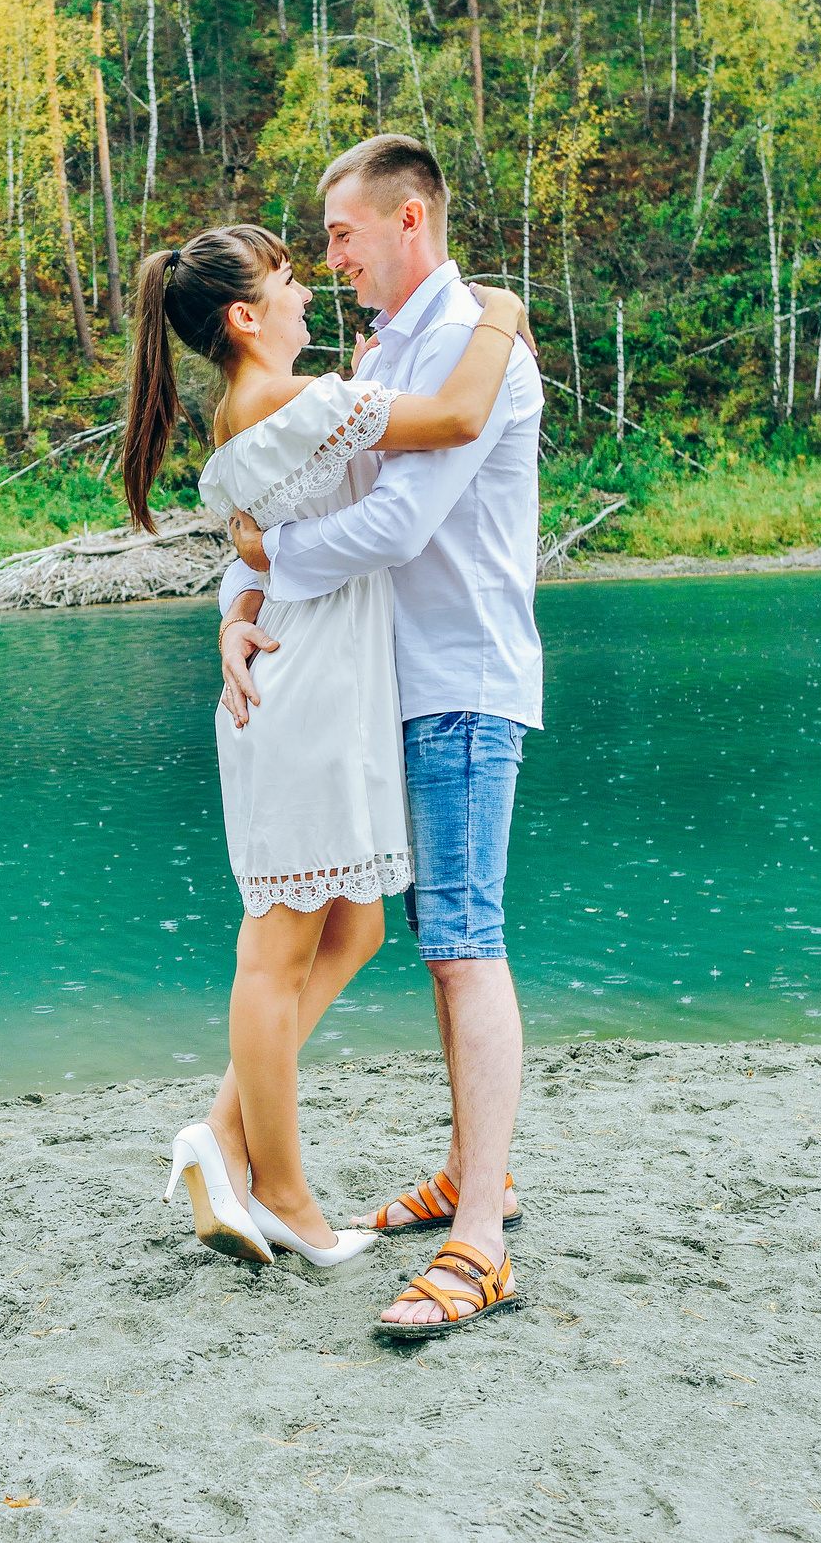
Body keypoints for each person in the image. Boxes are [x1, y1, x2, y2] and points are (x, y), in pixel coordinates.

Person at [120, 222, 529, 1276]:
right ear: (247, 317)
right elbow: (453, 413)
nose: (312, 288)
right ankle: (284, 1192)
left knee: (351, 930)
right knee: (278, 947)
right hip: (303, 694)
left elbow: (261, 544)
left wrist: (237, 601)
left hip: (319, 682)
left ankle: (220, 1136)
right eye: (293, 277)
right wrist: (503, 315)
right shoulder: (301, 403)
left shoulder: (270, 407)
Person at [220, 134, 546, 1339]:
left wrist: (270, 559)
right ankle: (475, 1173)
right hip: (383, 691)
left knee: (465, 939)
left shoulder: (477, 348)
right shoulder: (381, 357)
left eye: (343, 235)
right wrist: (240, 602)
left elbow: (399, 523)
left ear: (410, 220)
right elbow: (295, 490)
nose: (330, 258)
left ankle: (478, 1241)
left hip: (461, 680)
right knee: (431, 938)